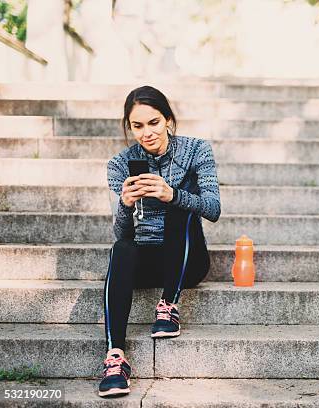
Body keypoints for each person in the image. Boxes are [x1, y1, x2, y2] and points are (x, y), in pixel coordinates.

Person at [98, 85, 221, 397]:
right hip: (145, 258)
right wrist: (125, 205)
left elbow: (213, 209)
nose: (146, 133)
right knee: (121, 248)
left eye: (153, 123)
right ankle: (115, 358)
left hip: (187, 261)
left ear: (168, 119)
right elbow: (122, 234)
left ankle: (168, 306)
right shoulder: (119, 164)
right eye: (137, 126)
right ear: (129, 127)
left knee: (180, 210)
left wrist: (172, 194)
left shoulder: (197, 150)